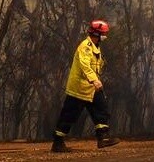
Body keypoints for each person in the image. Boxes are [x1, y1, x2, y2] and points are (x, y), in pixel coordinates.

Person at [51, 20, 120, 153]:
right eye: (103, 34)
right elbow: (85, 66)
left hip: (91, 88)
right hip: (79, 89)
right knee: (69, 116)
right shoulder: (85, 47)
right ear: (97, 34)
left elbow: (96, 65)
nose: (105, 36)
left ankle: (103, 138)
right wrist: (94, 80)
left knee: (102, 110)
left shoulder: (95, 47)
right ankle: (58, 142)